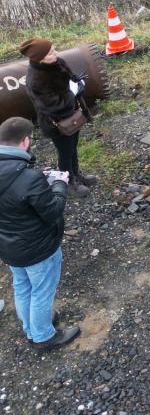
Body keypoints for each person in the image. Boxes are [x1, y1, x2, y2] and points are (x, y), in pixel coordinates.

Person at [0, 116, 80, 351]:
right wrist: (59, 184)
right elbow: (53, 211)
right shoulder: (28, 178)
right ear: (25, 140)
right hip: (38, 248)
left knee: (22, 286)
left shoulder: (23, 175)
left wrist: (38, 180)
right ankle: (43, 337)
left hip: (8, 247)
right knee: (42, 291)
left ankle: (31, 327)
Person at [19, 37, 95, 198]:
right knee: (65, 152)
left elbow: (71, 78)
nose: (55, 53)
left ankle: (76, 175)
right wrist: (72, 93)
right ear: (38, 58)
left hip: (72, 116)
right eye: (50, 53)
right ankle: (67, 182)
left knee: (73, 147)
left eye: (53, 49)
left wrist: (78, 83)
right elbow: (53, 105)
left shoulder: (57, 62)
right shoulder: (36, 80)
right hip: (57, 123)